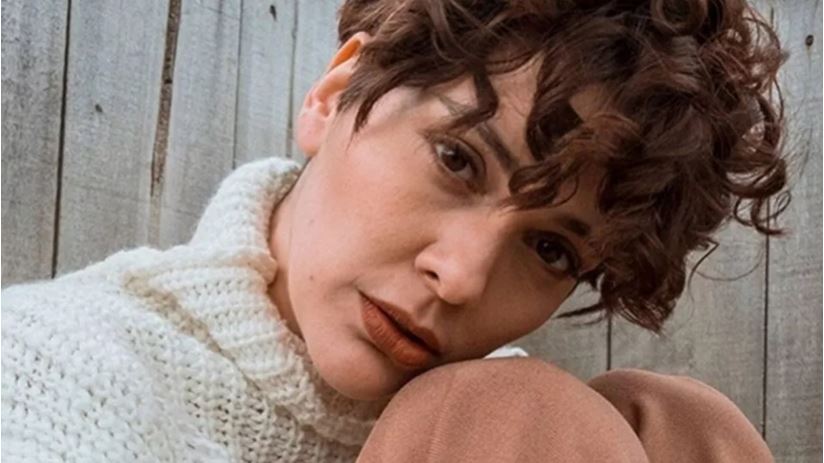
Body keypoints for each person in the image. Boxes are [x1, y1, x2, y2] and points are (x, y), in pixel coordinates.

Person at [2, 0, 788, 461]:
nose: (463, 276)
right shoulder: (52, 370)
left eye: (551, 249)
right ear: (333, 93)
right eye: (457, 159)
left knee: (677, 422)